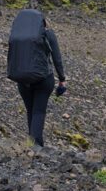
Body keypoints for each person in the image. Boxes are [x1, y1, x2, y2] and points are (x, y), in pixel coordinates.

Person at [8, 10, 66, 148]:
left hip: (22, 80)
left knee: (30, 110)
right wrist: (62, 79)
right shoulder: (48, 34)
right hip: (43, 79)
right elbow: (57, 59)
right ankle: (36, 145)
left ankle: (31, 143)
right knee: (39, 111)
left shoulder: (17, 35)